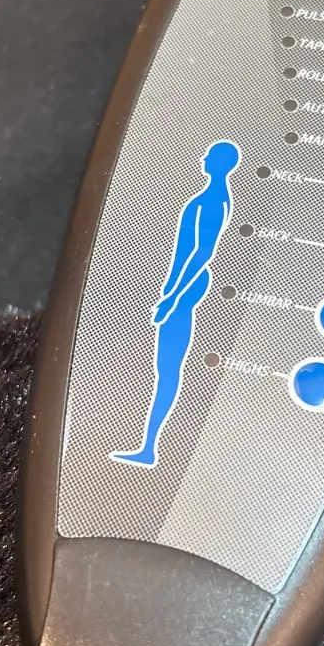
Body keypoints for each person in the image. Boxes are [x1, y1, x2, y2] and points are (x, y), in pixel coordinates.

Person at [112, 140, 241, 467]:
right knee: (165, 368)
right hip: (181, 286)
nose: (204, 157)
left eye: (210, 156)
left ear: (221, 163)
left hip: (187, 288)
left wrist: (172, 298)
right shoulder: (211, 197)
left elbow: (201, 253)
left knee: (168, 369)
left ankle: (149, 446)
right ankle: (148, 445)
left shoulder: (213, 201)